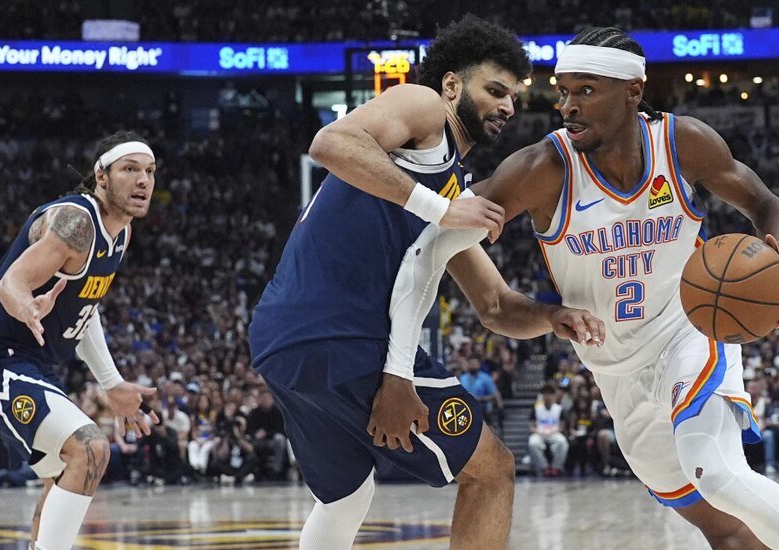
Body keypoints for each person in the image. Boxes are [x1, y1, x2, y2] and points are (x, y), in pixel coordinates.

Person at [386, 26, 779, 550]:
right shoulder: (542, 168)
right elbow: (435, 239)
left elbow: (767, 205)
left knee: (718, 474)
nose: (567, 106)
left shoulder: (682, 142)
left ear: (632, 91)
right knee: (726, 531)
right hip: (614, 371)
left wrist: (778, 254)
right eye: (562, 91)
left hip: (689, 333)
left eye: (585, 90)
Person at [249, 16, 602, 550]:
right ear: (453, 85)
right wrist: (439, 209)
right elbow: (330, 142)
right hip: (342, 333)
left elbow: (497, 306)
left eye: (514, 98)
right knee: (491, 470)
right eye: (495, 90)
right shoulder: (425, 107)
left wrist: (553, 317)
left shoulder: (454, 187)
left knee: (346, 496)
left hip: (280, 340)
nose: (507, 107)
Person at [0, 131, 159, 550]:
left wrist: (112, 383)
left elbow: (87, 310)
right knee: (91, 449)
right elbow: (11, 283)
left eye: (149, 171)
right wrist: (24, 304)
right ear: (101, 176)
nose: (143, 181)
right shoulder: (76, 221)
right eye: (129, 169)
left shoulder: (120, 235)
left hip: (30, 364)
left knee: (66, 471)